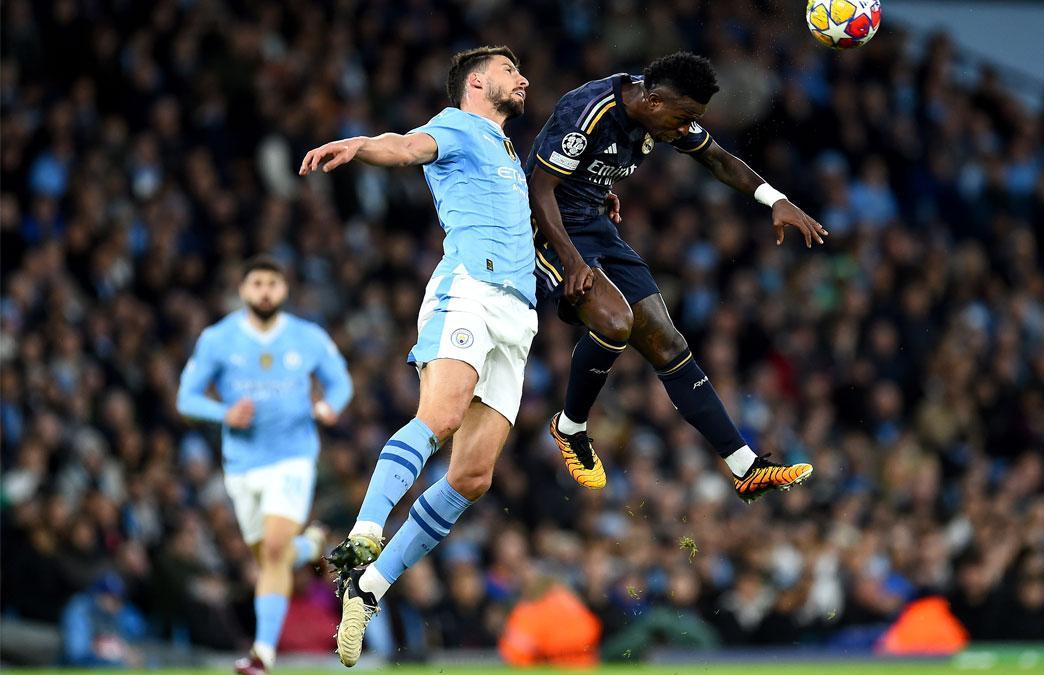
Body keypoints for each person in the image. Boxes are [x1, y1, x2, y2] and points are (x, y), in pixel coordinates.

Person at [297, 45, 536, 667]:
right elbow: (406, 146)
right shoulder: (457, 125)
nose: (523, 79)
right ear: (478, 82)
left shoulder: (509, 153)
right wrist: (360, 146)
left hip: (519, 316)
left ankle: (368, 588)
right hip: (470, 291)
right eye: (510, 71)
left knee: (473, 477)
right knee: (443, 415)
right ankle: (365, 534)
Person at [525, 52, 824, 501]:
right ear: (654, 99)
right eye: (684, 118)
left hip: (596, 224)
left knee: (669, 342)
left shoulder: (661, 111)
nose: (686, 129)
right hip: (548, 228)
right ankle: (570, 429)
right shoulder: (588, 110)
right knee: (614, 323)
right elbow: (539, 188)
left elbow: (718, 159)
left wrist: (774, 199)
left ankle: (745, 466)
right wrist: (571, 262)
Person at [176, 256, 352, 675]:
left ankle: (262, 655)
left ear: (284, 290)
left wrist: (329, 406)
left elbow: (341, 380)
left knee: (272, 551)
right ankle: (310, 546)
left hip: (292, 458)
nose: (265, 291)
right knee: (270, 559)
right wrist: (224, 413)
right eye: (257, 283)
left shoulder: (307, 337)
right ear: (243, 290)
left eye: (273, 283)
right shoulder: (218, 339)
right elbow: (187, 398)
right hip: (242, 464)